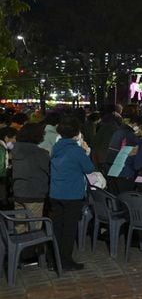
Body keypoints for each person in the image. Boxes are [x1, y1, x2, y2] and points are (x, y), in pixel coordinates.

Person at [49, 116, 95, 271]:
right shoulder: (76, 150)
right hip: (72, 194)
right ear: (76, 133)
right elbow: (88, 168)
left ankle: (53, 259)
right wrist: (86, 150)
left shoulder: (56, 148)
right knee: (69, 229)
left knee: (57, 227)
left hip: (56, 193)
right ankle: (65, 261)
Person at [11, 123, 50, 231]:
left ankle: (19, 247)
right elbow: (48, 170)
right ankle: (32, 247)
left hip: (18, 192)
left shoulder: (15, 151)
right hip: (35, 193)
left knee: (20, 227)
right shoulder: (41, 153)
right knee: (34, 229)